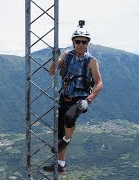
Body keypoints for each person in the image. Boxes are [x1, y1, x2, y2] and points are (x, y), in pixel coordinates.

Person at [43, 20, 103, 174]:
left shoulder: (91, 61)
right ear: (73, 42)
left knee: (69, 119)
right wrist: (55, 57)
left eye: (84, 42)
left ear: (88, 43)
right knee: (60, 133)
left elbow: (99, 84)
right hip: (64, 97)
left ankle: (66, 141)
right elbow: (52, 71)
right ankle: (60, 165)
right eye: (78, 41)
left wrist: (88, 100)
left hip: (79, 99)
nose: (81, 44)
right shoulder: (67, 56)